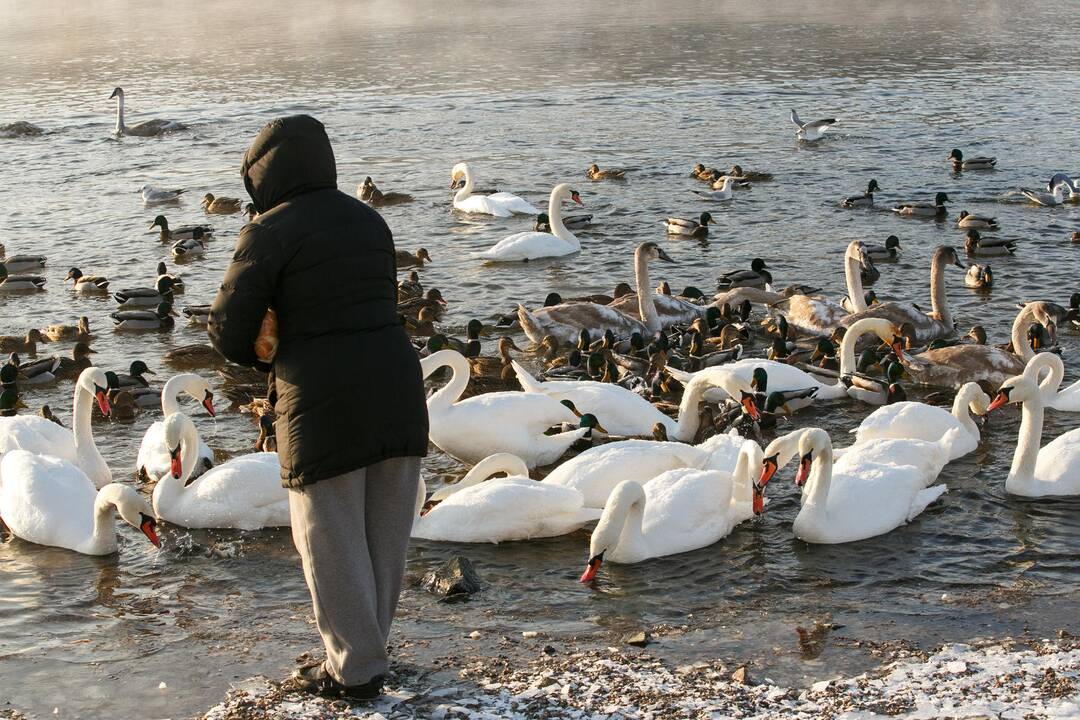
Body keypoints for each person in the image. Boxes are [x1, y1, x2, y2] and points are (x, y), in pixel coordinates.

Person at [208, 115, 429, 699]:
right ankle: (368, 653)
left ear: (262, 179)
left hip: (321, 400)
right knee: (383, 536)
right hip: (397, 389)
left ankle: (354, 672)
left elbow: (229, 332)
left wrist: (269, 352)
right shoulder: (370, 220)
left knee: (329, 538)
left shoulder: (267, 232)